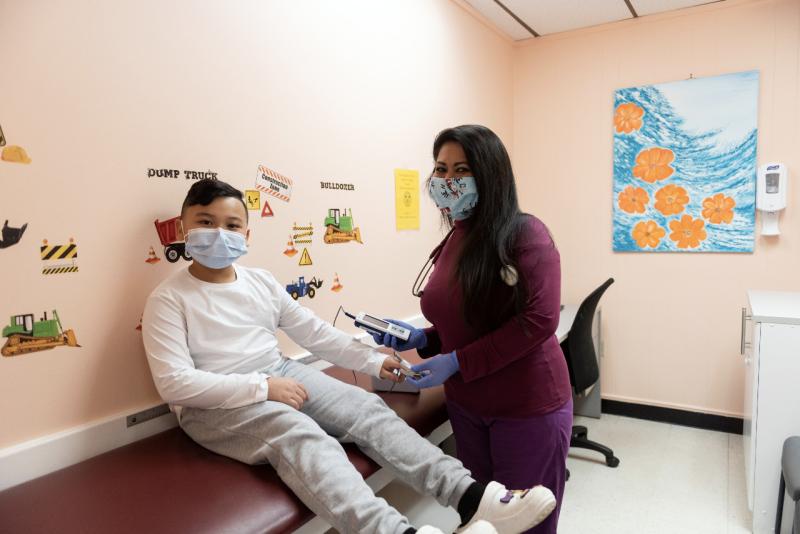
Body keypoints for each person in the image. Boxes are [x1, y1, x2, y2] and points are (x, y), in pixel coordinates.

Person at [141, 179, 557, 534]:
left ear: (247, 234)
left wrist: (375, 361)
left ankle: (470, 497)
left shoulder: (260, 282)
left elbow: (315, 334)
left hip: (277, 372)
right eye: (206, 223)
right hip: (213, 404)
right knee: (301, 435)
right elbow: (175, 383)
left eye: (232, 225)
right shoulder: (169, 299)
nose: (219, 234)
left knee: (366, 407)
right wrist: (263, 387)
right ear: (183, 228)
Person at [372, 125, 573, 534]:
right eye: (440, 170)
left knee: (527, 522)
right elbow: (462, 320)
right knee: (481, 518)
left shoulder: (526, 234)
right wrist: (422, 339)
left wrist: (457, 360)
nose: (447, 182)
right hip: (467, 405)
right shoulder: (454, 238)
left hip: (526, 407)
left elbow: (539, 320)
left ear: (490, 174)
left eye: (461, 170)